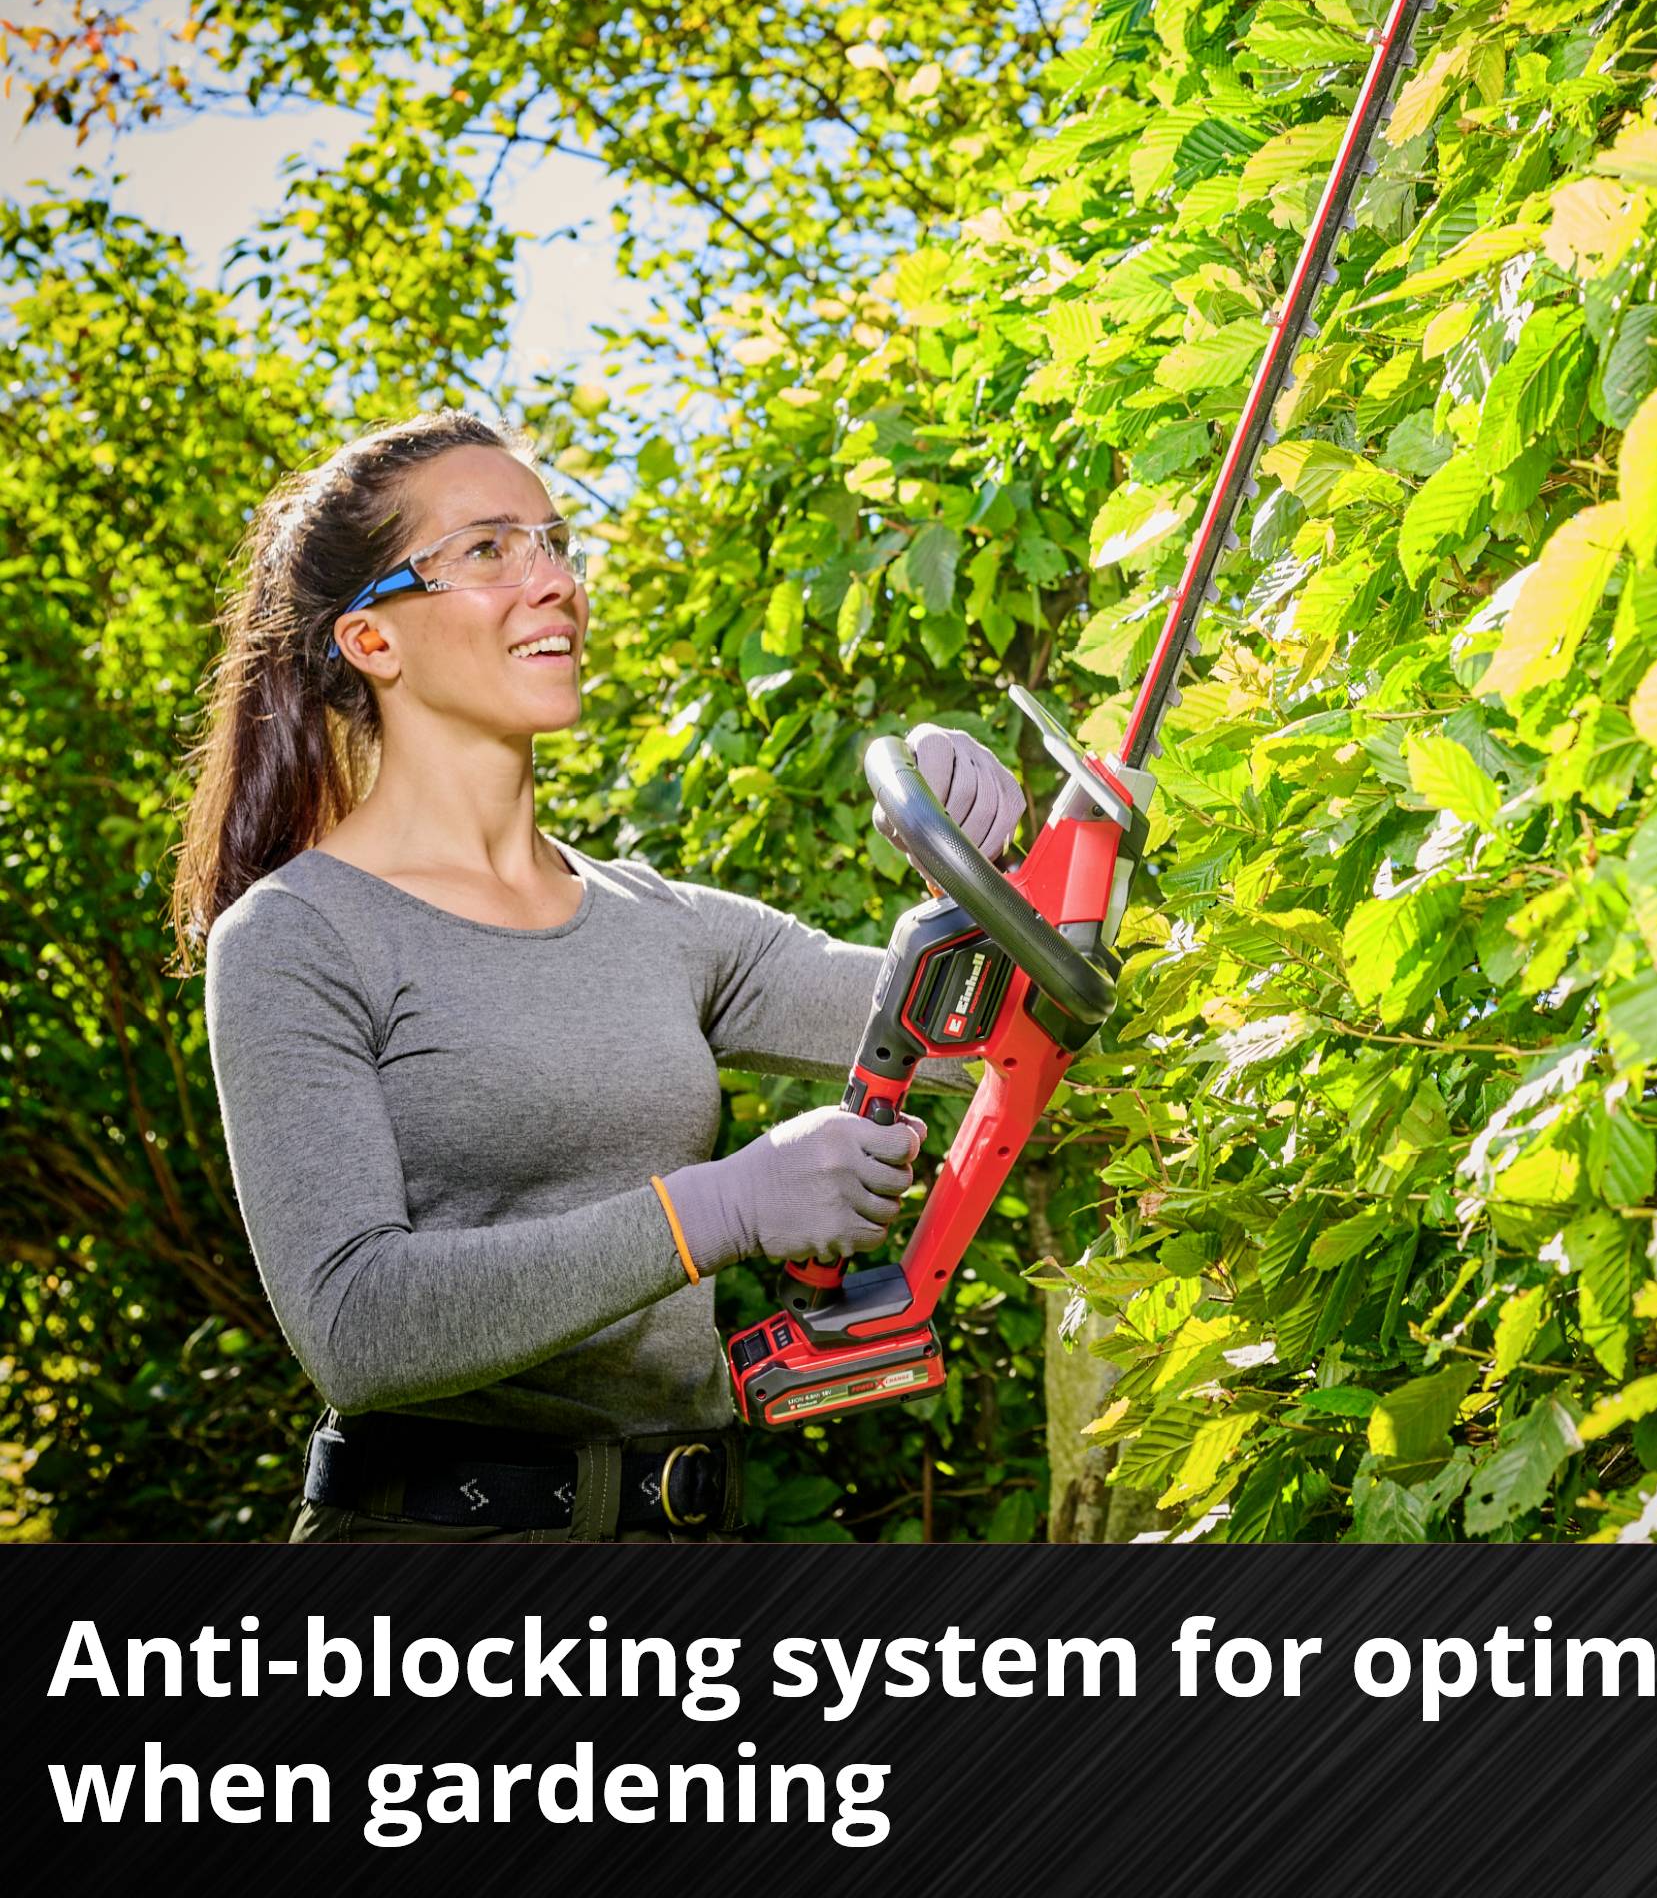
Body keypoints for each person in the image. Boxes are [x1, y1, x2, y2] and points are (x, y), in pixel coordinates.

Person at [173, 410, 1026, 1542]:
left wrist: (989, 859)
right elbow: (355, 1326)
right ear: (371, 639)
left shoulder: (659, 924)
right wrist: (715, 1208)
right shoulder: (300, 936)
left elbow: (991, 1028)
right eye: (488, 549)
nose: (555, 579)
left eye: (556, 540)